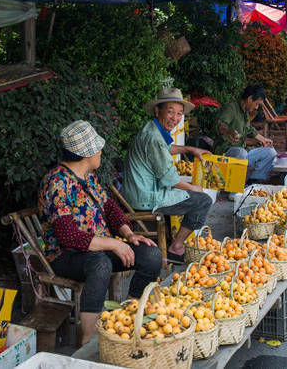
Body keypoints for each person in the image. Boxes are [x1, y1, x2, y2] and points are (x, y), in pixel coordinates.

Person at [38, 120, 162, 345]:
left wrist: (129, 235)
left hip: (100, 250)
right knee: (99, 264)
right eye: (98, 148)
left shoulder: (89, 177)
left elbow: (109, 208)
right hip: (66, 256)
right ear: (86, 154)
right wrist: (114, 244)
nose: (101, 151)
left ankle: (129, 316)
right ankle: (88, 339)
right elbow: (68, 236)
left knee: (151, 255)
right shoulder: (57, 182)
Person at [121, 87, 213, 261]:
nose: (175, 118)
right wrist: (195, 188)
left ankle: (174, 241)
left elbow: (166, 148)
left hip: (140, 191)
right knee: (203, 201)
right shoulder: (154, 137)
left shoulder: (153, 128)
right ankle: (175, 248)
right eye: (170, 112)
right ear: (157, 110)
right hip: (146, 197)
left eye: (179, 114)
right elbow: (170, 180)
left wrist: (190, 149)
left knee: (190, 195)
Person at [215, 85, 277, 186]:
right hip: (226, 153)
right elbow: (220, 125)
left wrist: (264, 140)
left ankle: (253, 183)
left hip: (242, 151)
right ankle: (234, 190)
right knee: (241, 153)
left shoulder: (245, 113)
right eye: (256, 104)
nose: (256, 108)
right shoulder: (231, 108)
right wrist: (228, 131)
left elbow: (250, 130)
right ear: (249, 99)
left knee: (270, 152)